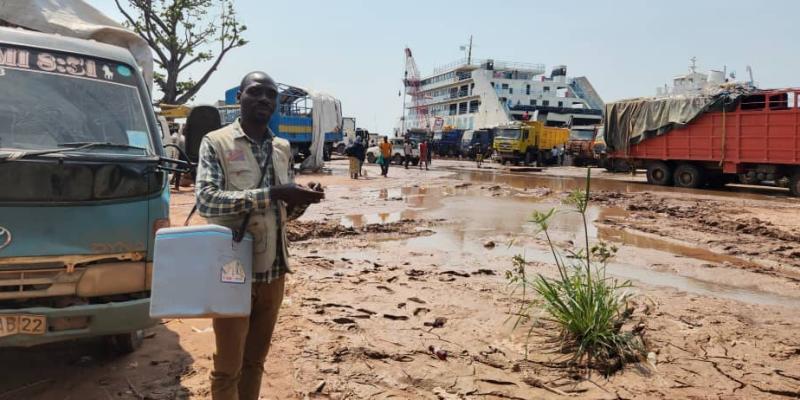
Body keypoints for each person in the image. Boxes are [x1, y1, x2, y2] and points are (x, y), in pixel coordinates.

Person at [196, 71, 324, 400]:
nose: (265, 99)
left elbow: (284, 213)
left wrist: (302, 199)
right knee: (228, 366)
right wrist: (274, 192)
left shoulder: (282, 148)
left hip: (274, 273)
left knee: (255, 361)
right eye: (256, 92)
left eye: (271, 94)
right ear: (239, 97)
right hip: (233, 271)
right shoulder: (216, 143)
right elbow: (207, 201)